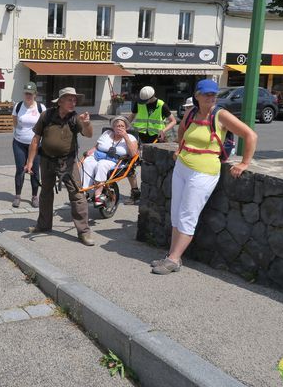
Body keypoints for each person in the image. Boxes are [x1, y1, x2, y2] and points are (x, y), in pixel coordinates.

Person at [151, 79, 257, 275]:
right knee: (176, 213)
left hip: (203, 171)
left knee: (187, 215)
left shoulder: (221, 115)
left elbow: (250, 135)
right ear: (197, 96)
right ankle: (172, 256)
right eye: (206, 94)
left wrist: (244, 163)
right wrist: (179, 148)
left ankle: (173, 259)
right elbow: (182, 130)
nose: (211, 97)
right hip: (182, 167)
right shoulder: (192, 112)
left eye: (213, 94)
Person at [24, 87, 95, 246]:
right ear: (60, 101)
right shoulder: (47, 115)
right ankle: (43, 225)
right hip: (47, 161)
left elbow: (89, 134)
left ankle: (84, 231)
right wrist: (29, 162)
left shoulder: (75, 118)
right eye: (70, 99)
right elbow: (36, 139)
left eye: (74, 100)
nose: (73, 102)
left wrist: (87, 123)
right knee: (46, 194)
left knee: (77, 195)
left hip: (67, 162)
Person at [126, 86, 177, 204]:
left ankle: (156, 194)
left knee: (156, 168)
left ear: (151, 97)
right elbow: (131, 117)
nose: (143, 103)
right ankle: (135, 193)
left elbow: (173, 121)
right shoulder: (139, 103)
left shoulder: (161, 105)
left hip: (157, 140)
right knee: (131, 164)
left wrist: (164, 130)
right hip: (140, 138)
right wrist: (123, 126)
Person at [81, 116, 138, 205]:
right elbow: (97, 146)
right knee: (87, 162)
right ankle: (85, 191)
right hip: (98, 155)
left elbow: (134, 154)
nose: (119, 128)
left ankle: (98, 194)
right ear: (113, 127)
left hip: (116, 160)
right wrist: (91, 150)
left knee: (102, 164)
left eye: (122, 126)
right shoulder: (107, 133)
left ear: (126, 127)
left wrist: (125, 137)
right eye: (117, 126)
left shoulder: (130, 137)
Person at [11, 81, 46, 208]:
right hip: (19, 143)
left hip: (36, 145)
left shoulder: (41, 108)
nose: (28, 96)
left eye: (31, 94)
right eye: (26, 93)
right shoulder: (18, 106)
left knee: (35, 170)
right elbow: (15, 122)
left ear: (35, 94)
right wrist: (20, 133)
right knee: (20, 169)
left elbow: (44, 125)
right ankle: (18, 196)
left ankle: (34, 196)